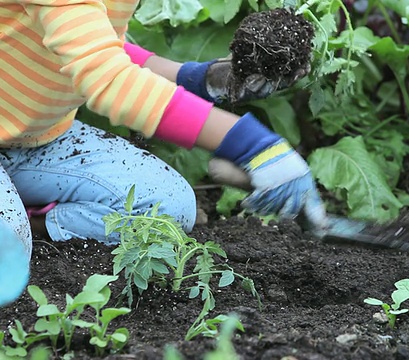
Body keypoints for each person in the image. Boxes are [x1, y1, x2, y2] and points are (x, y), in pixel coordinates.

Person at [0, 0, 328, 306]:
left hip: (40, 139)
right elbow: (109, 81)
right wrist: (251, 144)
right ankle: (14, 226)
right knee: (6, 260)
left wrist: (199, 79)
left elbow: (97, 48)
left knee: (168, 208)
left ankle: (36, 223)